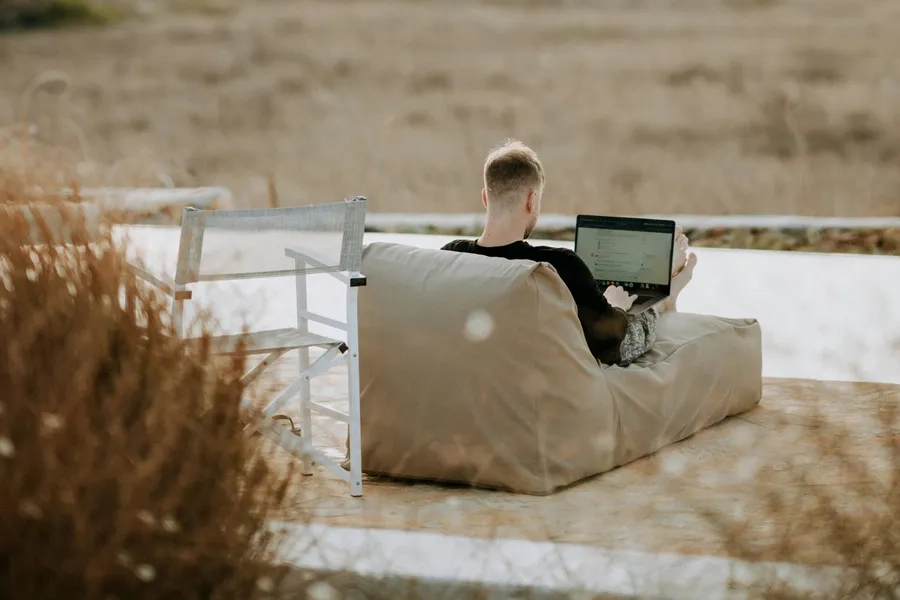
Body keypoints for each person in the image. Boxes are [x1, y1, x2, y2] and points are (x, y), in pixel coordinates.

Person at [441, 139, 698, 366]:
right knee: (636, 320)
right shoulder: (557, 266)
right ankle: (667, 296)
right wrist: (617, 306)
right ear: (531, 200)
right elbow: (615, 346)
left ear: (486, 197)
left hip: (483, 371)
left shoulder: (450, 257)